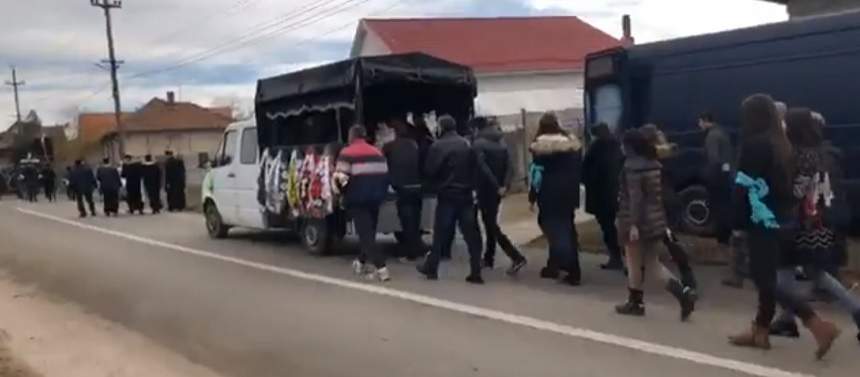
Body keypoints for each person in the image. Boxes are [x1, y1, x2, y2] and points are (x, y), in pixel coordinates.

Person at [728, 94, 839, 359]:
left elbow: (744, 186)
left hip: (759, 216)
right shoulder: (782, 144)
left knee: (762, 277)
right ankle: (761, 330)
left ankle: (816, 324)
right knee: (766, 274)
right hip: (781, 217)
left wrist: (735, 220)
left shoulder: (755, 144)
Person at [769, 108, 860, 345]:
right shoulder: (817, 152)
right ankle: (786, 320)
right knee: (802, 272)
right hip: (810, 222)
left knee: (794, 274)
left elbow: (796, 192)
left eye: (786, 124)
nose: (783, 128)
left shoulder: (803, 156)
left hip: (799, 224)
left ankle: (790, 319)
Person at [614, 129, 696, 320]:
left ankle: (641, 301)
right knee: (649, 263)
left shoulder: (631, 167)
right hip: (655, 219)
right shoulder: (653, 164)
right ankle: (641, 300)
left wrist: (633, 224)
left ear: (629, 147)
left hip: (635, 221)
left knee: (640, 264)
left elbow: (636, 198)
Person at [417, 115, 484, 284]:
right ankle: (476, 270)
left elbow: (430, 170)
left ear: (441, 128)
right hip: (466, 195)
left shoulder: (437, 146)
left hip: (447, 195)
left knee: (440, 234)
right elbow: (476, 168)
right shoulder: (466, 144)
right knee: (471, 235)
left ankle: (432, 268)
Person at [641, 124, 699, 294]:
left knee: (657, 239)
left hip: (657, 201)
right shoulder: (670, 153)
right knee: (670, 239)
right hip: (670, 197)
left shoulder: (648, 157)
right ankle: (687, 276)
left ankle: (685, 282)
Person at [528, 112, 583, 286]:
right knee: (567, 227)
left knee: (554, 229)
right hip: (569, 191)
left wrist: (532, 196)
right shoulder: (572, 145)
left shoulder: (540, 147)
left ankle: (570, 268)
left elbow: (536, 174)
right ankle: (556, 265)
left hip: (549, 193)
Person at [335, 125, 391, 282]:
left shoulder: (347, 153)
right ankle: (360, 262)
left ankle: (382, 268)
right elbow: (385, 176)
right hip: (376, 198)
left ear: (352, 136)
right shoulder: (377, 152)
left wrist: (341, 195)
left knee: (366, 235)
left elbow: (340, 179)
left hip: (357, 199)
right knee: (369, 232)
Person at [473, 117, 528, 275]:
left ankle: (516, 256)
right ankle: (489, 258)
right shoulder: (501, 142)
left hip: (485, 189)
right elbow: (510, 166)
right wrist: (504, 185)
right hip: (498, 190)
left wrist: (496, 185)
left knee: (491, 225)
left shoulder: (478, 144)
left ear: (478, 128)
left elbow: (482, 167)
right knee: (491, 222)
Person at [582, 123, 624, 270]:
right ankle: (622, 256)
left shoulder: (595, 148)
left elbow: (586, 171)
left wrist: (586, 180)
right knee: (613, 225)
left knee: (607, 227)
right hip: (614, 192)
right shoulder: (617, 146)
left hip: (600, 194)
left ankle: (616, 257)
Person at [383, 118, 426, 261]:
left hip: (402, 187)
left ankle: (410, 253)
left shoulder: (389, 146)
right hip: (417, 187)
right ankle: (417, 248)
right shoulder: (413, 144)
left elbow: (382, 163)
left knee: (407, 221)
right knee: (415, 219)